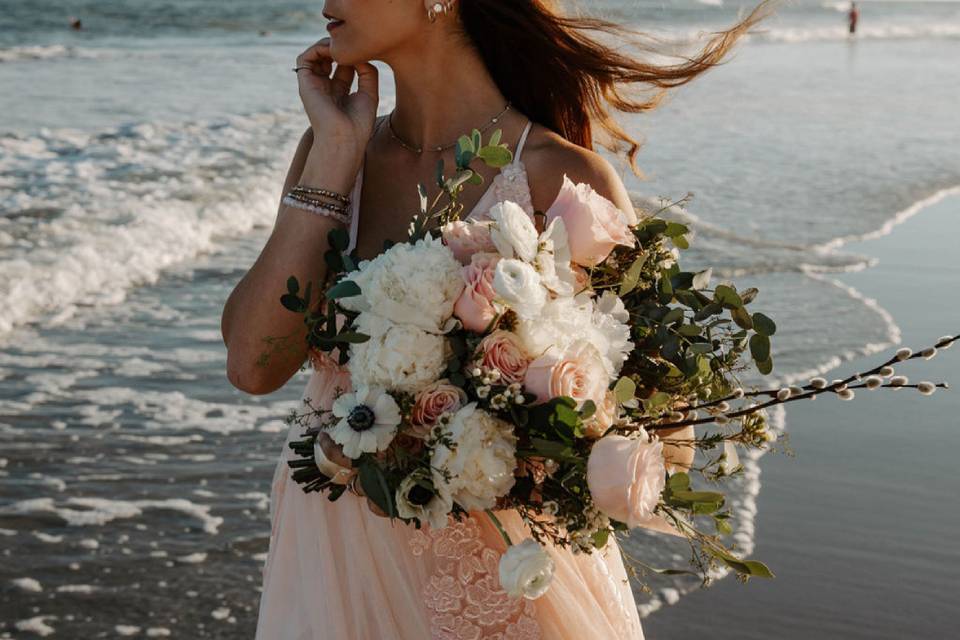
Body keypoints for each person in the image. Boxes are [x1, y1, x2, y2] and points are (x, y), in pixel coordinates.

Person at [220, 0, 775, 637]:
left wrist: (509, 431)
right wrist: (333, 154)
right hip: (335, 544)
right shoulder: (333, 154)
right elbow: (252, 366)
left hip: (503, 574)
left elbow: (667, 439)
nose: (324, 2)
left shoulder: (559, 176)